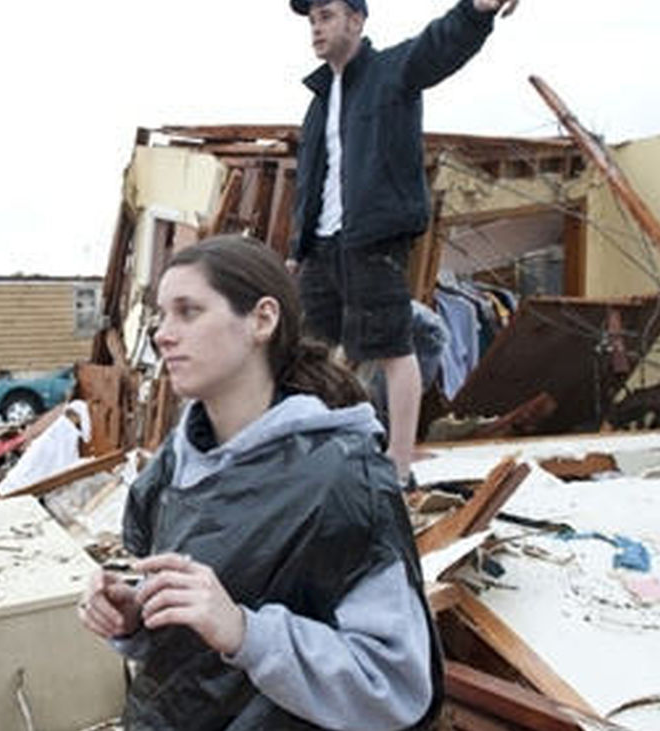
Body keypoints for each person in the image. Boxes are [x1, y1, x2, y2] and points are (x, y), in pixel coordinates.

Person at [79, 236, 441, 730]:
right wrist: (134, 618)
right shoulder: (166, 473)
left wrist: (245, 633)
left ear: (262, 320)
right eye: (162, 315)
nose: (163, 334)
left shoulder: (342, 479)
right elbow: (179, 652)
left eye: (189, 311)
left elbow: (395, 685)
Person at [287, 0, 519, 485]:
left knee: (393, 346)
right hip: (323, 245)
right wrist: (297, 246)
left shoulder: (390, 72)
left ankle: (400, 457)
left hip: (372, 236)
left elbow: (440, 46)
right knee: (312, 354)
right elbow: (310, 179)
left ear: (355, 20)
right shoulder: (319, 99)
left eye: (326, 15)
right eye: (311, 20)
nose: (316, 27)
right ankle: (325, 449)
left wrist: (476, 11)